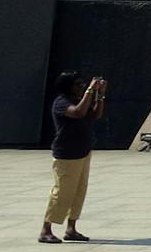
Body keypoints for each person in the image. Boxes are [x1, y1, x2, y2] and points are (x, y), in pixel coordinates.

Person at [40, 72, 104, 243]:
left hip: (83, 151)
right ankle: (46, 230)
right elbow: (78, 113)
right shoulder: (61, 102)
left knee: (78, 192)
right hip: (67, 154)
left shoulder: (79, 100)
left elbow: (95, 114)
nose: (81, 87)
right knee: (62, 192)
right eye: (78, 84)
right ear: (68, 86)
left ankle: (71, 228)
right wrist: (90, 90)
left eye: (83, 84)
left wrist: (100, 94)